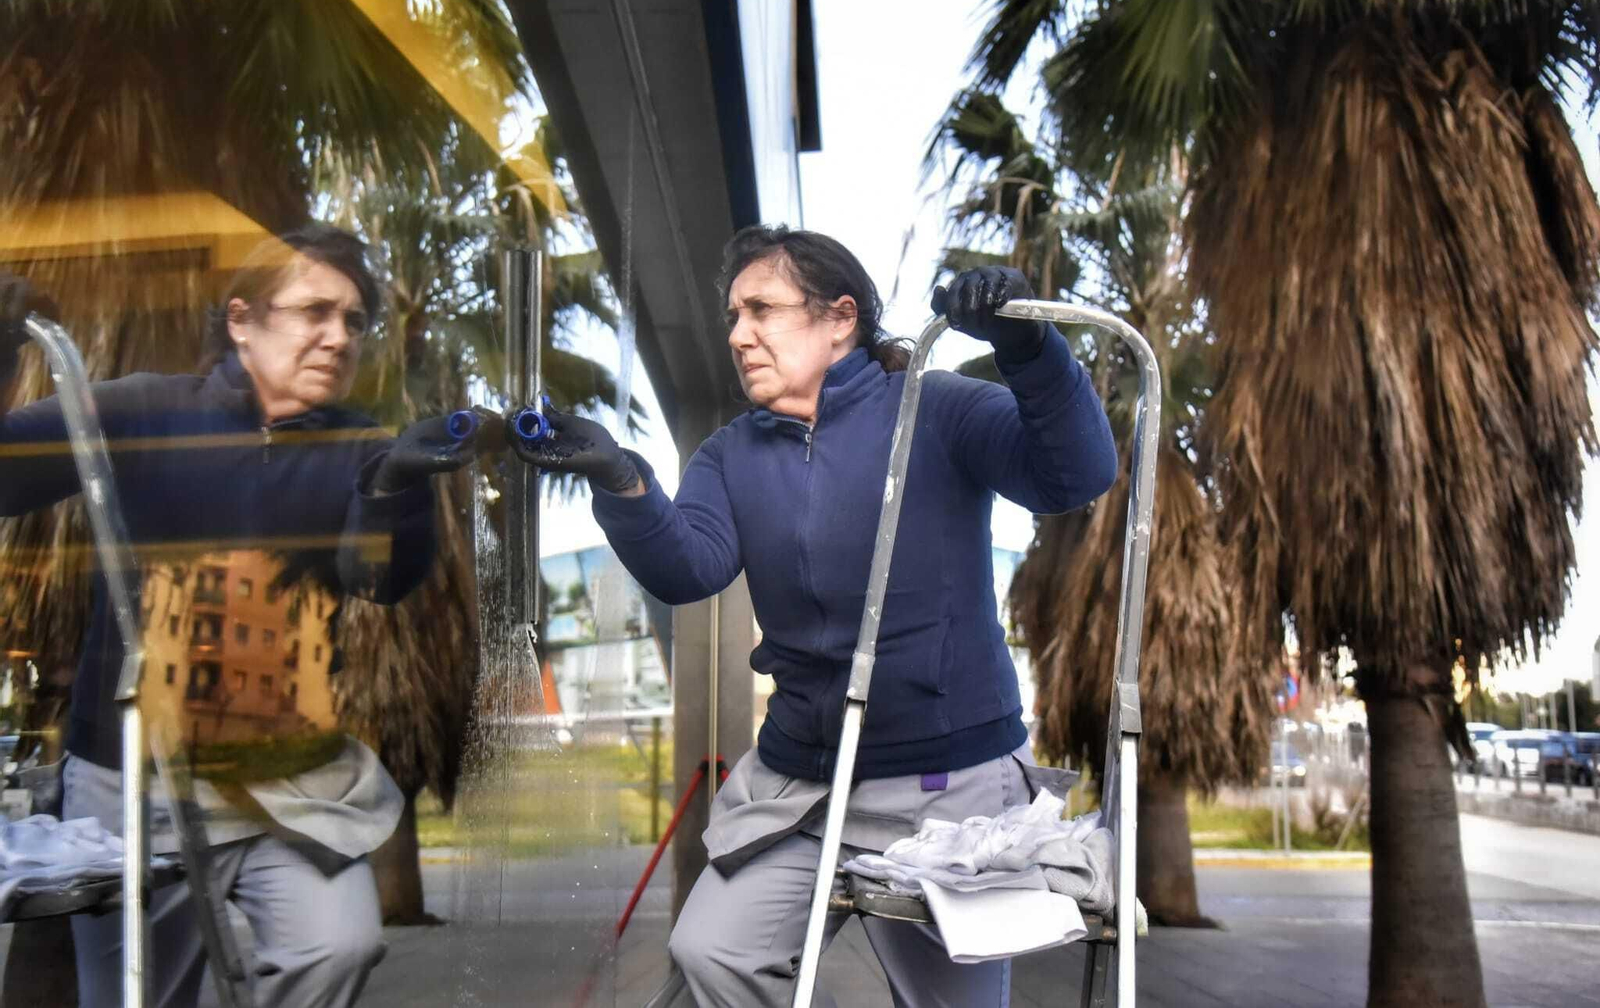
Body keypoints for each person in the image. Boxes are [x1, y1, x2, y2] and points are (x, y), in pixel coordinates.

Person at [510, 224, 1117, 1007]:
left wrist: (1028, 349)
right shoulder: (730, 454)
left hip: (948, 793)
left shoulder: (936, 410)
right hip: (804, 786)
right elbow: (687, 568)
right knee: (713, 952)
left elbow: (1075, 474)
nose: (738, 335)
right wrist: (620, 477)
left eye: (760, 309)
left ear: (840, 319)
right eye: (732, 316)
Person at [0, 225, 481, 1008]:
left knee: (339, 943)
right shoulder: (141, 409)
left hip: (287, 782)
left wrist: (396, 485)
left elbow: (382, 578)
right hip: (132, 779)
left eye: (355, 321)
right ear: (241, 321)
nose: (338, 336)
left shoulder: (357, 444)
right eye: (314, 312)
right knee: (142, 995)